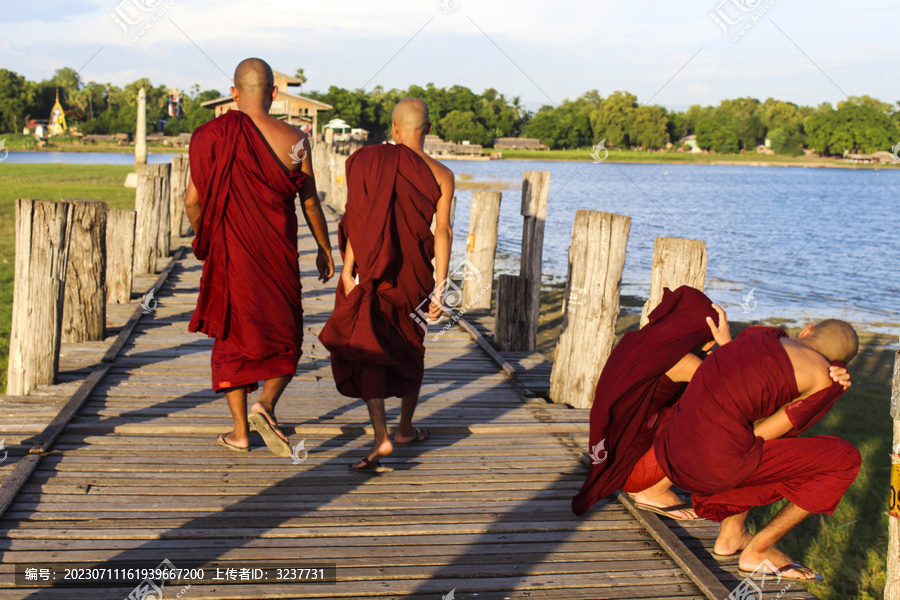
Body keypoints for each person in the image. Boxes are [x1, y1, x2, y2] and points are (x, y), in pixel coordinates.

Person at [184, 58, 334, 456]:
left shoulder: (208, 135)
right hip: (277, 253)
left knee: (232, 337)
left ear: (233, 93)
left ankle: (239, 432)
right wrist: (324, 247)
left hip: (230, 253)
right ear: (274, 94)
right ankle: (265, 405)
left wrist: (207, 238)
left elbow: (192, 201)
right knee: (286, 333)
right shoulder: (296, 140)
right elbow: (311, 200)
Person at [654, 320, 860, 582]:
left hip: (670, 450)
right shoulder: (822, 378)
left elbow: (736, 380)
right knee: (844, 459)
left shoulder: (758, 335)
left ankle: (732, 534)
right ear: (840, 364)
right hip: (707, 468)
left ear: (807, 329)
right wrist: (830, 390)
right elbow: (762, 436)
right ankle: (760, 549)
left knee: (747, 424)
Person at [319, 98, 454, 473]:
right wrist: (441, 286)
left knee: (369, 348)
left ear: (394, 129)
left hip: (371, 272)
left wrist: (348, 269)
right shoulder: (442, 173)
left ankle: (381, 434)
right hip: (414, 277)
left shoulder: (368, 161)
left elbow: (358, 219)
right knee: (412, 345)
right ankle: (406, 427)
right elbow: (442, 231)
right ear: (427, 130)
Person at [572, 286, 731, 520]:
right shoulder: (685, 363)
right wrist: (727, 344)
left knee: (695, 403)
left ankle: (654, 482)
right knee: (722, 419)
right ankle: (654, 491)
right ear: (707, 341)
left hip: (616, 458)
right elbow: (738, 387)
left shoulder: (637, 343)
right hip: (633, 472)